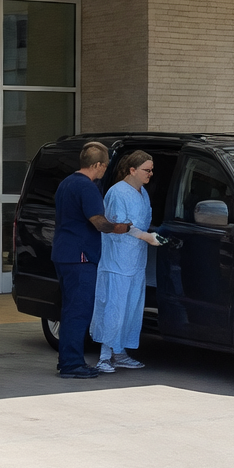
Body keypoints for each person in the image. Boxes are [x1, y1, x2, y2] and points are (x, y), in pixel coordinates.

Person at [49, 141, 116, 379]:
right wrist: (121, 227)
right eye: (105, 166)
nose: (104, 171)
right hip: (81, 256)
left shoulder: (66, 183)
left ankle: (68, 360)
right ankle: (71, 364)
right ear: (97, 164)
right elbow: (98, 221)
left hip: (63, 253)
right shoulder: (87, 187)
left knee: (69, 310)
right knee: (78, 311)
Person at [93, 151, 160, 369]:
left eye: (151, 170)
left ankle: (120, 353)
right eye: (146, 170)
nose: (150, 174)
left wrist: (150, 235)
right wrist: (146, 237)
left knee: (130, 308)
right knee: (114, 307)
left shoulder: (143, 193)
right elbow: (120, 225)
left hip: (136, 261)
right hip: (117, 262)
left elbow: (142, 221)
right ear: (132, 170)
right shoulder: (117, 193)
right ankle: (104, 356)